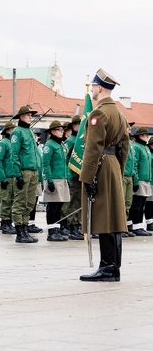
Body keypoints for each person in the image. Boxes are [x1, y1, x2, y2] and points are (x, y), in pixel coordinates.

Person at [80, 69, 129, 282]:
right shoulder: (119, 113)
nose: (91, 91)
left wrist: (87, 177)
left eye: (92, 87)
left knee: (103, 217)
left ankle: (107, 267)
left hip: (100, 166)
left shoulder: (98, 114)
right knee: (114, 217)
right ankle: (113, 266)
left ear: (99, 88)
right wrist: (118, 168)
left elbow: (92, 148)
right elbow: (125, 147)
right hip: (114, 166)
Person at [9, 105, 41, 244]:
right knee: (20, 202)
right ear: (21, 116)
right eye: (28, 115)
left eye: (31, 115)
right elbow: (14, 154)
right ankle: (19, 231)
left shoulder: (29, 131)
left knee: (30, 202)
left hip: (33, 171)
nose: (30, 117)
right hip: (24, 171)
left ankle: (25, 228)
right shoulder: (17, 132)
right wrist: (18, 174)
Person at [41, 120, 70, 242]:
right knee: (52, 206)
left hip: (62, 178)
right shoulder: (50, 145)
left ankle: (56, 229)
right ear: (52, 131)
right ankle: (51, 231)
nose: (62, 132)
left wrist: (67, 178)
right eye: (59, 130)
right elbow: (46, 164)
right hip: (54, 178)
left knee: (59, 206)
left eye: (62, 130)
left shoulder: (61, 145)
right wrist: (49, 180)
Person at [128, 127, 152, 236]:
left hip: (146, 179)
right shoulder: (136, 147)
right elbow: (135, 164)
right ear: (139, 136)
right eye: (145, 135)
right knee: (136, 204)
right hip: (140, 179)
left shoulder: (145, 148)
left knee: (142, 203)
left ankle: (138, 225)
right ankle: (135, 226)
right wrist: (136, 180)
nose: (147, 137)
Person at [65, 115, 84, 240]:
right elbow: (65, 159)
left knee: (80, 202)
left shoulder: (81, 141)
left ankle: (78, 225)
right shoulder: (71, 141)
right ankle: (72, 226)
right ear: (73, 126)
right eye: (77, 124)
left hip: (81, 175)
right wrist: (69, 175)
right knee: (73, 202)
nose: (79, 126)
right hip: (73, 175)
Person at [0, 123, 16, 234]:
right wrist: (2, 178)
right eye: (13, 129)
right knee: (6, 200)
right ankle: (5, 223)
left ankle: (9, 221)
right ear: (7, 131)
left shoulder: (14, 143)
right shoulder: (3, 143)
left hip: (13, 176)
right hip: (6, 177)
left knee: (12, 201)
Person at [121, 123, 136, 237]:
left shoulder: (130, 143)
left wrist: (134, 175)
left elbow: (133, 161)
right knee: (121, 202)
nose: (130, 129)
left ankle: (125, 224)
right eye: (128, 127)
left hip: (130, 176)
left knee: (128, 202)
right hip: (123, 175)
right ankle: (120, 226)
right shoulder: (120, 141)